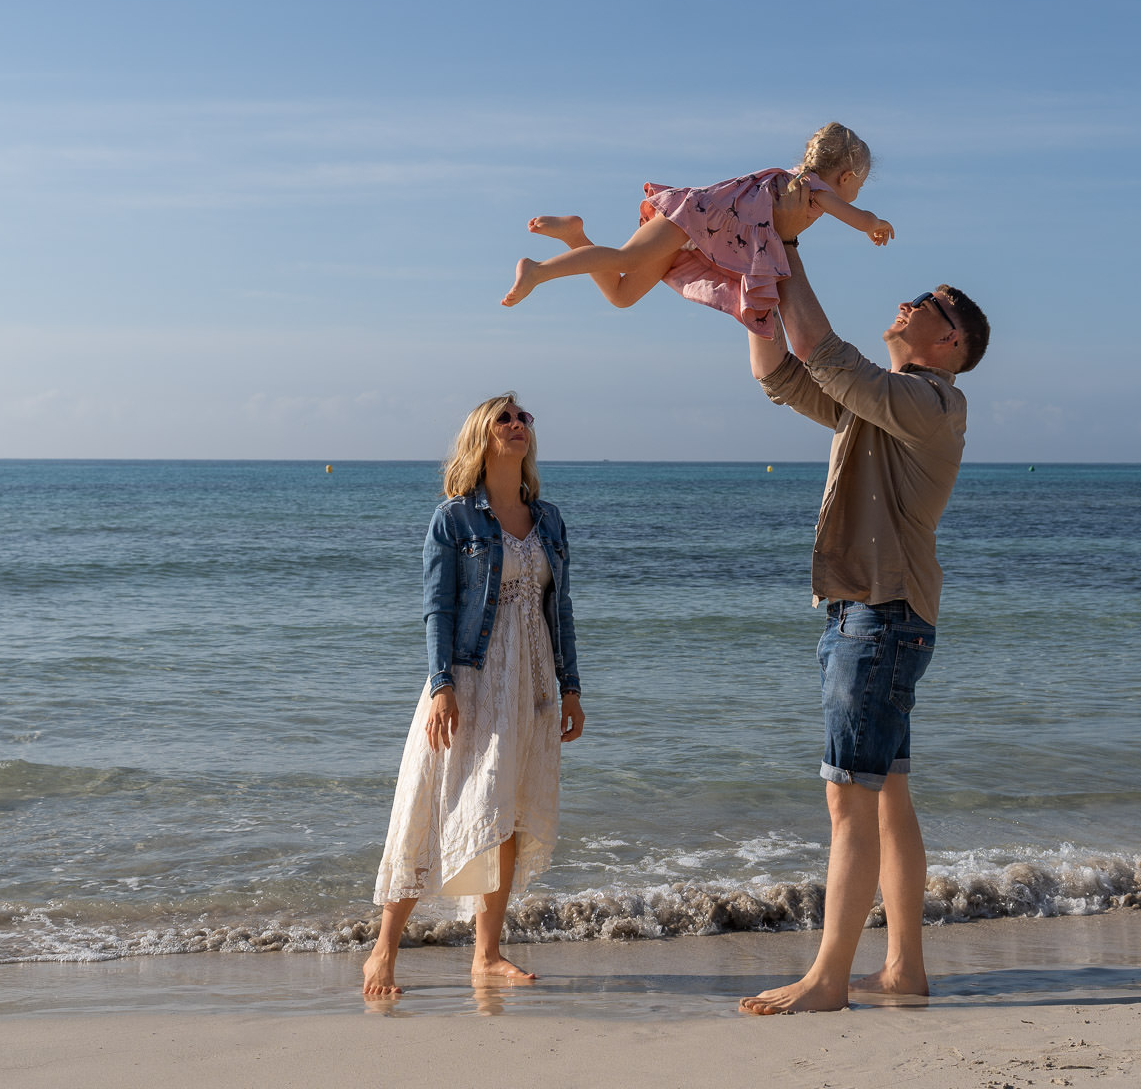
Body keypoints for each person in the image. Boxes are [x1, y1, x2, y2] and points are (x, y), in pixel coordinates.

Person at [739, 189, 990, 1016]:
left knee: (849, 796)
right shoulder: (884, 406)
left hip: (882, 617)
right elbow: (786, 374)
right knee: (887, 794)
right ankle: (903, 970)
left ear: (948, 341)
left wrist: (788, 246)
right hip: (872, 613)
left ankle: (827, 980)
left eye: (922, 302)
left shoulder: (930, 403)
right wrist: (755, 301)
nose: (905, 303)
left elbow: (826, 351)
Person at [362, 393, 587, 998]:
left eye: (525, 418)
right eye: (505, 418)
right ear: (482, 437)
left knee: (505, 813)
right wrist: (441, 686)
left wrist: (570, 687)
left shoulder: (551, 520)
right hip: (473, 678)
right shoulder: (454, 519)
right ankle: (383, 950)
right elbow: (437, 608)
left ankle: (487, 956)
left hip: (533, 682)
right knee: (430, 803)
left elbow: (558, 609)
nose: (518, 425)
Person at [499, 123, 894, 337]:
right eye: (858, 186)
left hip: (701, 236)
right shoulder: (813, 189)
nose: (855, 194)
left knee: (622, 295)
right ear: (845, 177)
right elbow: (854, 217)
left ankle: (574, 235)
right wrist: (873, 223)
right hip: (695, 219)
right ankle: (540, 270)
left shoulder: (796, 183)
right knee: (626, 258)